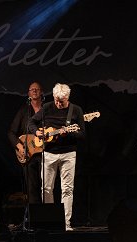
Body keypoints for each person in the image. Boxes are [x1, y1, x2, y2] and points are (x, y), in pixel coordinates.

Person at [28, 83, 85, 231]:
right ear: (53, 97)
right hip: (49, 154)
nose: (59, 104)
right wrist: (37, 132)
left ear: (68, 97)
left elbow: (82, 134)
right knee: (46, 188)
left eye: (62, 101)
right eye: (57, 100)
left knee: (67, 189)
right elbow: (31, 122)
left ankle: (65, 223)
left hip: (68, 153)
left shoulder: (76, 110)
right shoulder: (47, 107)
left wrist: (69, 132)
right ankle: (50, 221)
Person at [7, 82, 44, 204]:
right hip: (29, 155)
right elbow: (11, 132)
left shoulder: (47, 109)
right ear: (28, 93)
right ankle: (35, 219)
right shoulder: (24, 111)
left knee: (46, 187)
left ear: (41, 92)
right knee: (32, 189)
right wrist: (20, 147)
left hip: (46, 153)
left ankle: (49, 217)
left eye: (37, 89)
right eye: (32, 89)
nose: (34, 91)